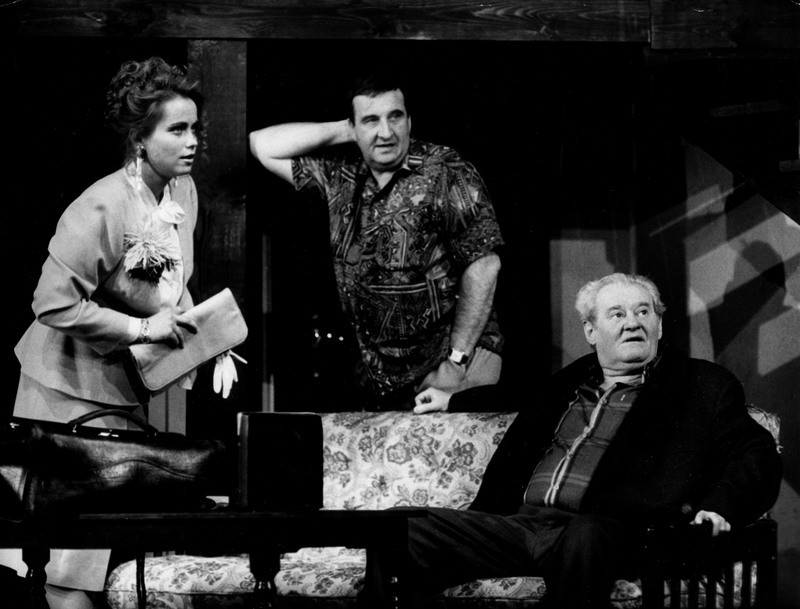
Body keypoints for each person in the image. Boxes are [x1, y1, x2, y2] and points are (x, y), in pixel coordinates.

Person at [361, 272, 783, 608]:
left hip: (615, 531)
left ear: (658, 323)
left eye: (644, 311)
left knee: (587, 533)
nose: (632, 322)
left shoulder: (701, 385)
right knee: (401, 527)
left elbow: (756, 451)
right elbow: (514, 394)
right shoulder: (569, 381)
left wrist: (720, 506)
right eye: (616, 314)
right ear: (590, 330)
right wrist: (452, 399)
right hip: (522, 526)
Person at [1, 56, 230, 609]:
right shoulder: (101, 204)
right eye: (177, 129)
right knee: (67, 565)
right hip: (63, 390)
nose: (192, 141)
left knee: (108, 557)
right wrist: (143, 327)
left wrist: (208, 338)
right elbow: (51, 303)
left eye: (195, 128)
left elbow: (173, 282)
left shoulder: (184, 191)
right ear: (139, 139)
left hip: (122, 389)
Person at [249, 75, 505, 410]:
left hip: (454, 367)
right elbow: (262, 146)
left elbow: (485, 264)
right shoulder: (342, 176)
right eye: (371, 120)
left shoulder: (444, 169)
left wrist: (457, 360)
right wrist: (347, 130)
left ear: (409, 121)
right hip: (387, 382)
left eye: (395, 117)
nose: (386, 132)